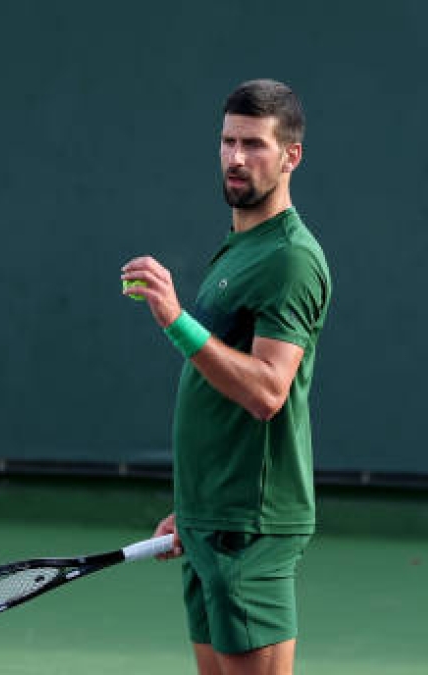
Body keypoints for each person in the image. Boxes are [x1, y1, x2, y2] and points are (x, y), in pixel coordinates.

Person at [121, 79, 331, 675]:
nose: (237, 158)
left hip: (251, 526)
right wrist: (194, 506)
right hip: (212, 516)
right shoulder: (238, 247)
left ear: (291, 156)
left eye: (255, 145)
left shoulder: (290, 258)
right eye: (228, 141)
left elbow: (267, 390)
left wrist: (174, 319)